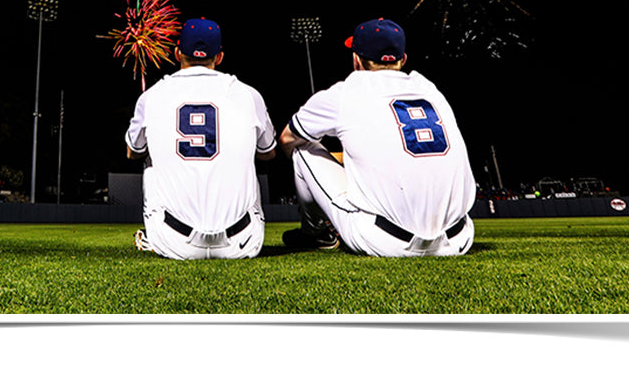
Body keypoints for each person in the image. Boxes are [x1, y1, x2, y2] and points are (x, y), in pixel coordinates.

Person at [278, 18, 477, 257]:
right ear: (403, 60)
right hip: (460, 239)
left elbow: (287, 139)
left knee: (302, 149)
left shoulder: (346, 92)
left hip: (384, 241)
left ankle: (316, 233)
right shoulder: (430, 90)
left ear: (356, 59)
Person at [124, 18, 277, 259]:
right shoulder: (249, 94)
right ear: (220, 57)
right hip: (243, 242)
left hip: (174, 242)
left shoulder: (152, 96)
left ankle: (156, 237)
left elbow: (132, 152)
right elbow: (268, 153)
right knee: (249, 161)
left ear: (177, 53)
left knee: (149, 163)